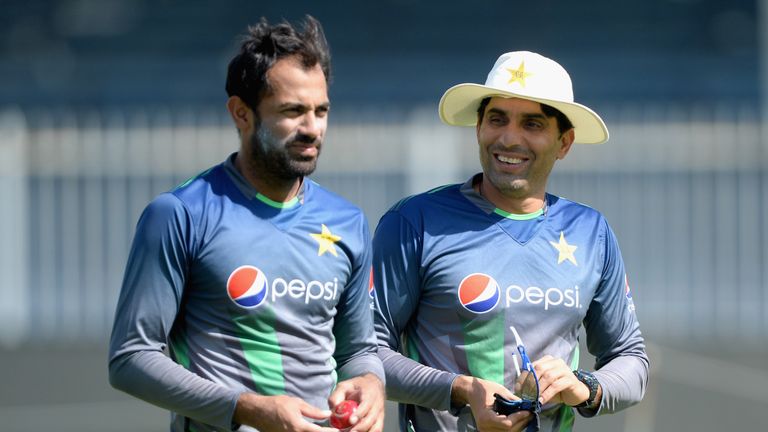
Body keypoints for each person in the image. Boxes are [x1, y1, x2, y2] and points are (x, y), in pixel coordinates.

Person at [109, 16, 385, 432]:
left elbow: (358, 350)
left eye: (321, 111)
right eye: (292, 111)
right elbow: (130, 358)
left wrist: (370, 381)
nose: (312, 129)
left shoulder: (347, 222)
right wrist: (246, 407)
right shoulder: (180, 214)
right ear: (241, 113)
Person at [372, 51, 649, 431]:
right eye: (497, 119)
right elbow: (362, 353)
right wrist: (461, 389)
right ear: (478, 128)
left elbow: (630, 359)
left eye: (532, 124)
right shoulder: (414, 222)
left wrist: (585, 386)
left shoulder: (591, 232)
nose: (509, 137)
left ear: (564, 142)